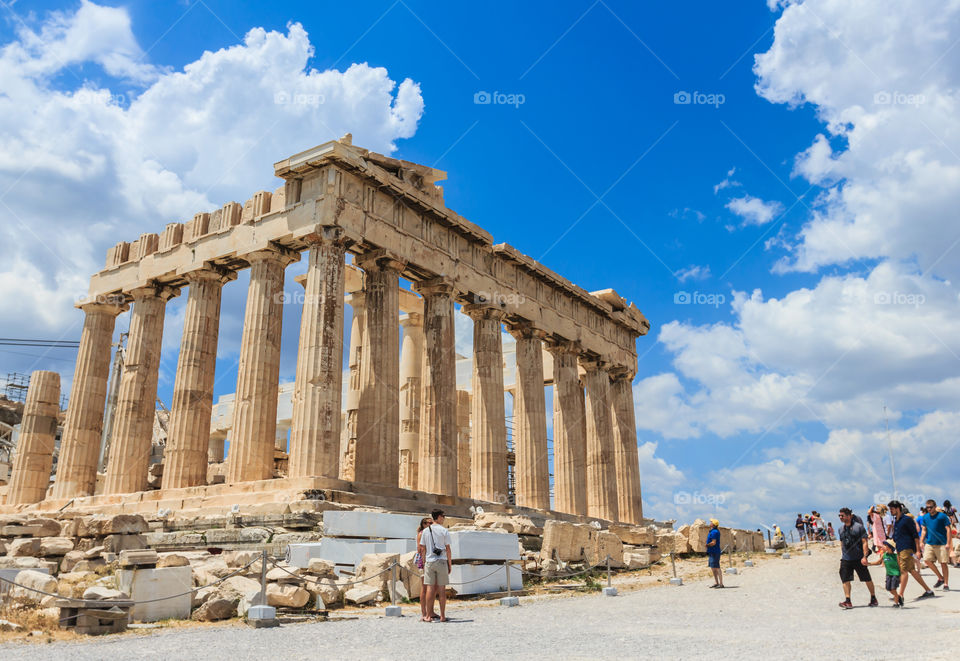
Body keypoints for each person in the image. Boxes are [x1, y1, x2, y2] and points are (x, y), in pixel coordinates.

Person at [888, 500, 934, 604]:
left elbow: (915, 535)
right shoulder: (896, 520)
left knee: (904, 571)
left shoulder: (907, 520)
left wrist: (918, 550)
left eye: (892, 509)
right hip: (899, 548)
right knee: (911, 570)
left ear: (898, 508)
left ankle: (900, 595)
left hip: (907, 548)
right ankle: (928, 590)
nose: (890, 511)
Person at [837, 507, 877, 609]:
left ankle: (873, 597)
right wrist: (843, 554)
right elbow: (842, 542)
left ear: (849, 516)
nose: (840, 517)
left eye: (842, 515)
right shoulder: (840, 529)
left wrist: (864, 556)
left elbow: (864, 542)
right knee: (845, 579)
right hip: (846, 559)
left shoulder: (859, 527)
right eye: (839, 516)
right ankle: (848, 600)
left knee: (867, 578)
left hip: (859, 558)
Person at [417, 509, 452, 622]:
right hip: (441, 561)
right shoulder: (444, 530)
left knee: (430, 589)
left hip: (429, 561)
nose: (444, 518)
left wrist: (424, 562)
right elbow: (448, 549)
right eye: (443, 516)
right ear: (439, 517)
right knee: (442, 589)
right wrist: (450, 564)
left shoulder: (426, 531)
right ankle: (442, 616)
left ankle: (427, 616)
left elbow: (422, 548)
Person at [920, 499, 952, 590]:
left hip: (942, 543)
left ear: (935, 507)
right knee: (927, 560)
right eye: (927, 507)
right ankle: (940, 577)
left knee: (943, 563)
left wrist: (948, 543)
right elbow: (924, 530)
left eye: (931, 507)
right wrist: (921, 541)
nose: (929, 509)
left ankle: (945, 583)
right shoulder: (925, 517)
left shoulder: (942, 516)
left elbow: (948, 530)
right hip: (929, 543)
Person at [866, 540, 902, 607]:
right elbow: (878, 562)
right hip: (888, 575)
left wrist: (901, 576)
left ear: (890, 547)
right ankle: (898, 597)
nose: (883, 547)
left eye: (885, 545)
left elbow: (900, 566)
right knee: (888, 588)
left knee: (893, 589)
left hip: (896, 574)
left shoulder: (896, 556)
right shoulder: (884, 555)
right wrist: (868, 563)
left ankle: (896, 603)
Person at [415, 517, 434, 620]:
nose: (430, 524)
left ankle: (430, 611)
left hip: (429, 559)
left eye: (431, 522)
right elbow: (420, 549)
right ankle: (424, 612)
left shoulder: (429, 533)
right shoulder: (422, 533)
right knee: (424, 587)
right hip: (424, 560)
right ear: (423, 524)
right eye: (427, 523)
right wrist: (424, 562)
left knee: (431, 587)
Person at [706, 518, 723, 588]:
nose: (710, 522)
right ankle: (716, 582)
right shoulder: (712, 531)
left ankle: (721, 584)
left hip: (714, 552)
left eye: (711, 522)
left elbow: (713, 542)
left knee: (717, 567)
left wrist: (707, 545)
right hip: (712, 552)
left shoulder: (714, 532)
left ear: (713, 524)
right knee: (713, 567)